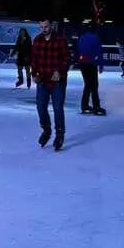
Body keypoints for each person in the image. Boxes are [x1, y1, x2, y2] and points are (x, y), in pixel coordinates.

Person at [31, 18, 71, 151]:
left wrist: (59, 71)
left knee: (58, 108)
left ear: (51, 26)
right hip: (42, 79)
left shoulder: (60, 40)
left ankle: (59, 134)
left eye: (46, 26)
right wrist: (34, 74)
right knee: (40, 106)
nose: (44, 29)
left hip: (57, 81)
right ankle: (46, 129)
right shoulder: (37, 40)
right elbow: (34, 60)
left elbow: (67, 59)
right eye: (41, 27)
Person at [77, 24, 106, 115]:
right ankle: (96, 107)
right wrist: (100, 66)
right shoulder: (95, 38)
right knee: (94, 85)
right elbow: (99, 52)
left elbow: (78, 51)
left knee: (88, 84)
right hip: (91, 64)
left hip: (82, 64)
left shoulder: (81, 37)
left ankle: (85, 105)